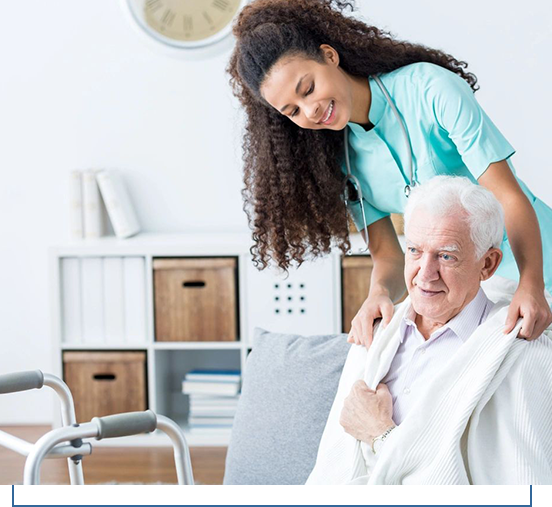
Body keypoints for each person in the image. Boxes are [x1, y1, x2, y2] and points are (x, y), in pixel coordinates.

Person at [227, 0, 552, 344]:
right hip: (463, 295)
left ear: (329, 55)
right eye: (293, 110)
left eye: (307, 88)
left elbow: (507, 196)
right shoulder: (341, 162)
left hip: (535, 261)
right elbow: (387, 255)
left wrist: (532, 285)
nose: (311, 110)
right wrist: (378, 294)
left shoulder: (430, 89)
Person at [305, 176, 552, 485]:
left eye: (446, 256)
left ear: (487, 264)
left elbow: (531, 492)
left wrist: (380, 435)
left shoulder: (523, 355)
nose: (425, 274)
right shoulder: (374, 336)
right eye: (415, 251)